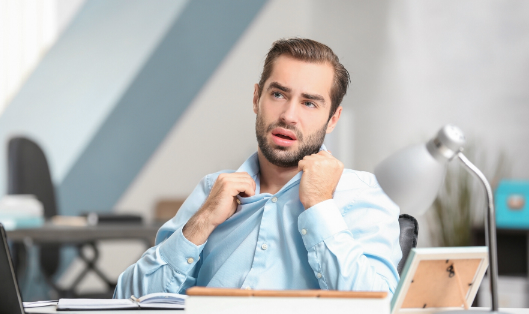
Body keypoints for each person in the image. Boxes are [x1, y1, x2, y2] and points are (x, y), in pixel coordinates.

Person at [114, 38, 401, 298]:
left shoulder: (364, 194)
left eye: (309, 103)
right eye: (278, 95)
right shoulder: (212, 190)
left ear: (332, 119)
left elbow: (382, 308)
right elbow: (127, 300)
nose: (289, 116)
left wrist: (320, 206)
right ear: (256, 98)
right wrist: (201, 224)